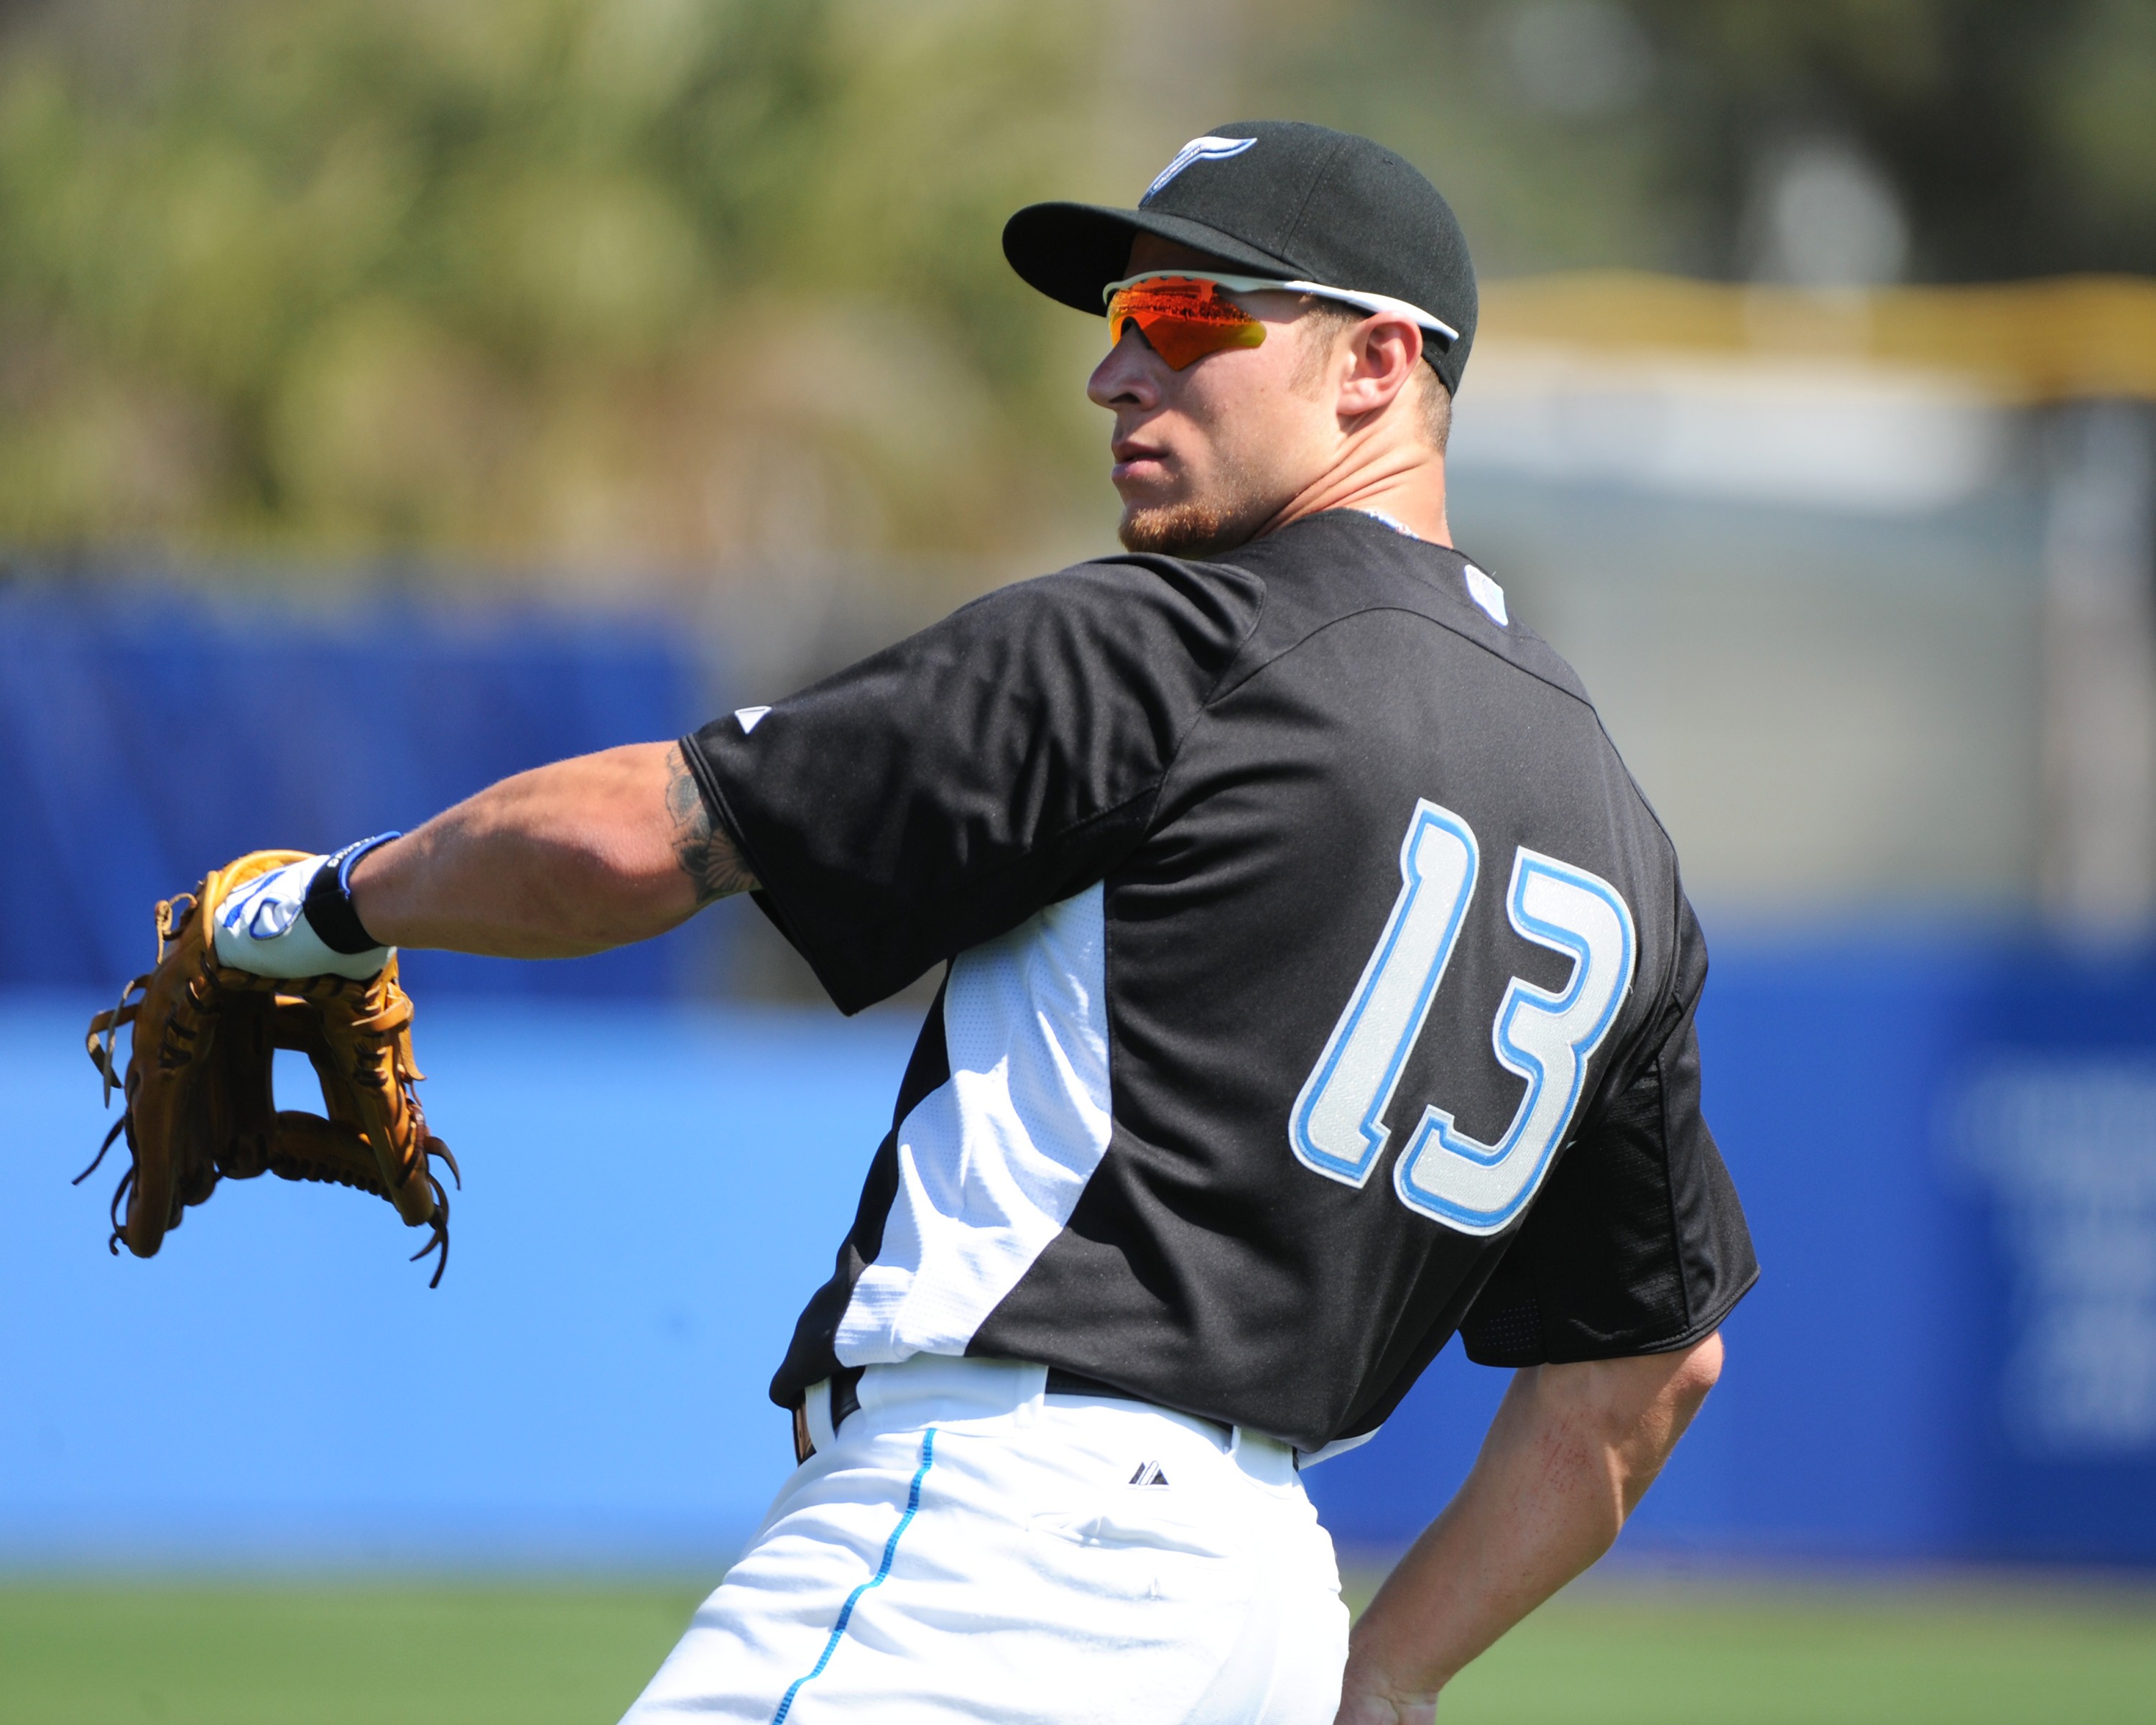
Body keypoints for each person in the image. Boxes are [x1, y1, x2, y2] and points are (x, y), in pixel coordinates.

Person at [213, 121, 1756, 1724]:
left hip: (1005, 1546)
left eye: (1184, 319)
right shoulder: (1617, 832)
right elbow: (1651, 1369)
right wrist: (1387, 1671)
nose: (1113, 373)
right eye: (1117, 322)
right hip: (1262, 1616)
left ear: (1375, 361)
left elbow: (634, 840)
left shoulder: (1178, 648)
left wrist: (317, 905)